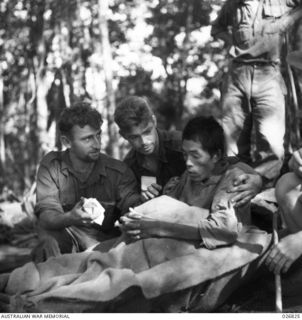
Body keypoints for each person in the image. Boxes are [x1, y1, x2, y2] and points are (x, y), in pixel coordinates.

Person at [0, 116, 270, 313]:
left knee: (113, 280)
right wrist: (139, 215)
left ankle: (32, 305)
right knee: (90, 261)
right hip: (135, 242)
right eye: (185, 155)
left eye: (196, 156)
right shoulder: (171, 174)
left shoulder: (232, 180)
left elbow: (222, 229)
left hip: (174, 250)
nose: (188, 162)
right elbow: (160, 206)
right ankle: (16, 281)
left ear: (216, 156)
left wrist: (158, 226)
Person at [33, 102, 141, 261]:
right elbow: (46, 215)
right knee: (47, 239)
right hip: (66, 241)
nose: (97, 144)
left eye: (98, 135)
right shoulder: (52, 166)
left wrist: (143, 204)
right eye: (87, 139)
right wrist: (70, 217)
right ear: (67, 142)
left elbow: (132, 207)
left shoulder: (119, 172)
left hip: (105, 248)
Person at [211, 0, 302, 187]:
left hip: (269, 72)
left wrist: (289, 20)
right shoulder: (232, 6)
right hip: (237, 73)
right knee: (233, 142)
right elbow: (217, 28)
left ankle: (264, 192)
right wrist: (229, 42)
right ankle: (236, 191)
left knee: (271, 139)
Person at [114, 95, 263, 207]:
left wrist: (256, 179)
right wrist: (141, 199)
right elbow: (127, 204)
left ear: (154, 121)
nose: (144, 142)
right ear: (123, 136)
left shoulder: (180, 144)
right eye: (134, 137)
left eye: (147, 132)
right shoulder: (128, 166)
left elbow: (227, 161)